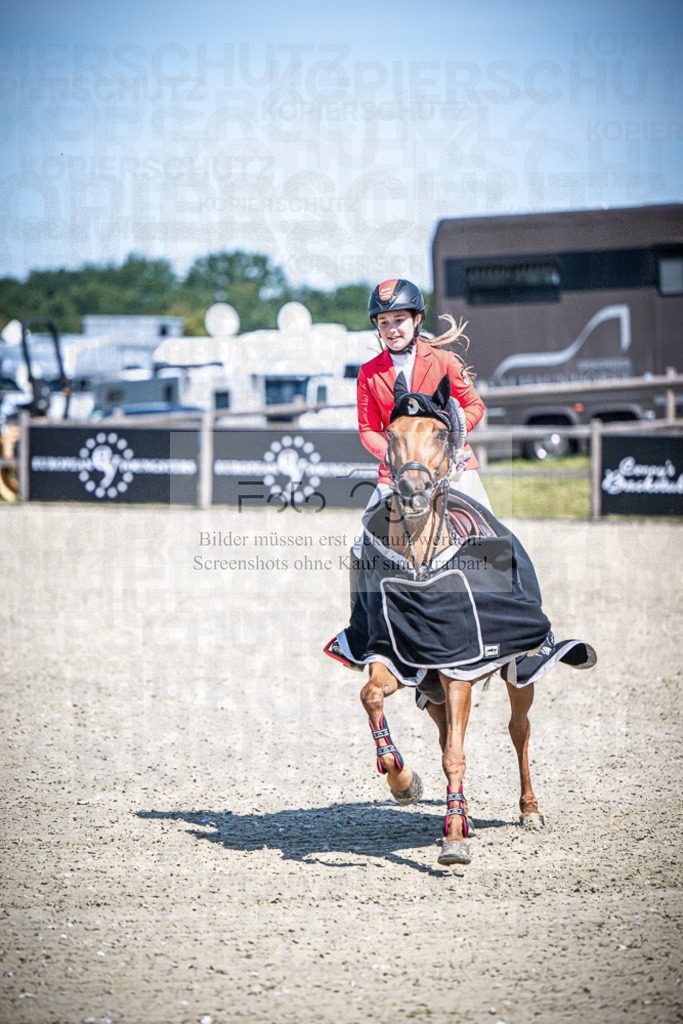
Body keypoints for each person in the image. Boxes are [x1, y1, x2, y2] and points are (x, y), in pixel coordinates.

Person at [352, 278, 491, 559]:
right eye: (383, 322)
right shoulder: (368, 373)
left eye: (399, 319)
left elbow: (475, 405)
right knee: (359, 549)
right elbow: (368, 429)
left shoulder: (445, 361)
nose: (391, 329)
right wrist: (392, 456)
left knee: (493, 543)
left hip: (453, 469)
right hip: (396, 473)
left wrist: (455, 435)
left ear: (416, 320)